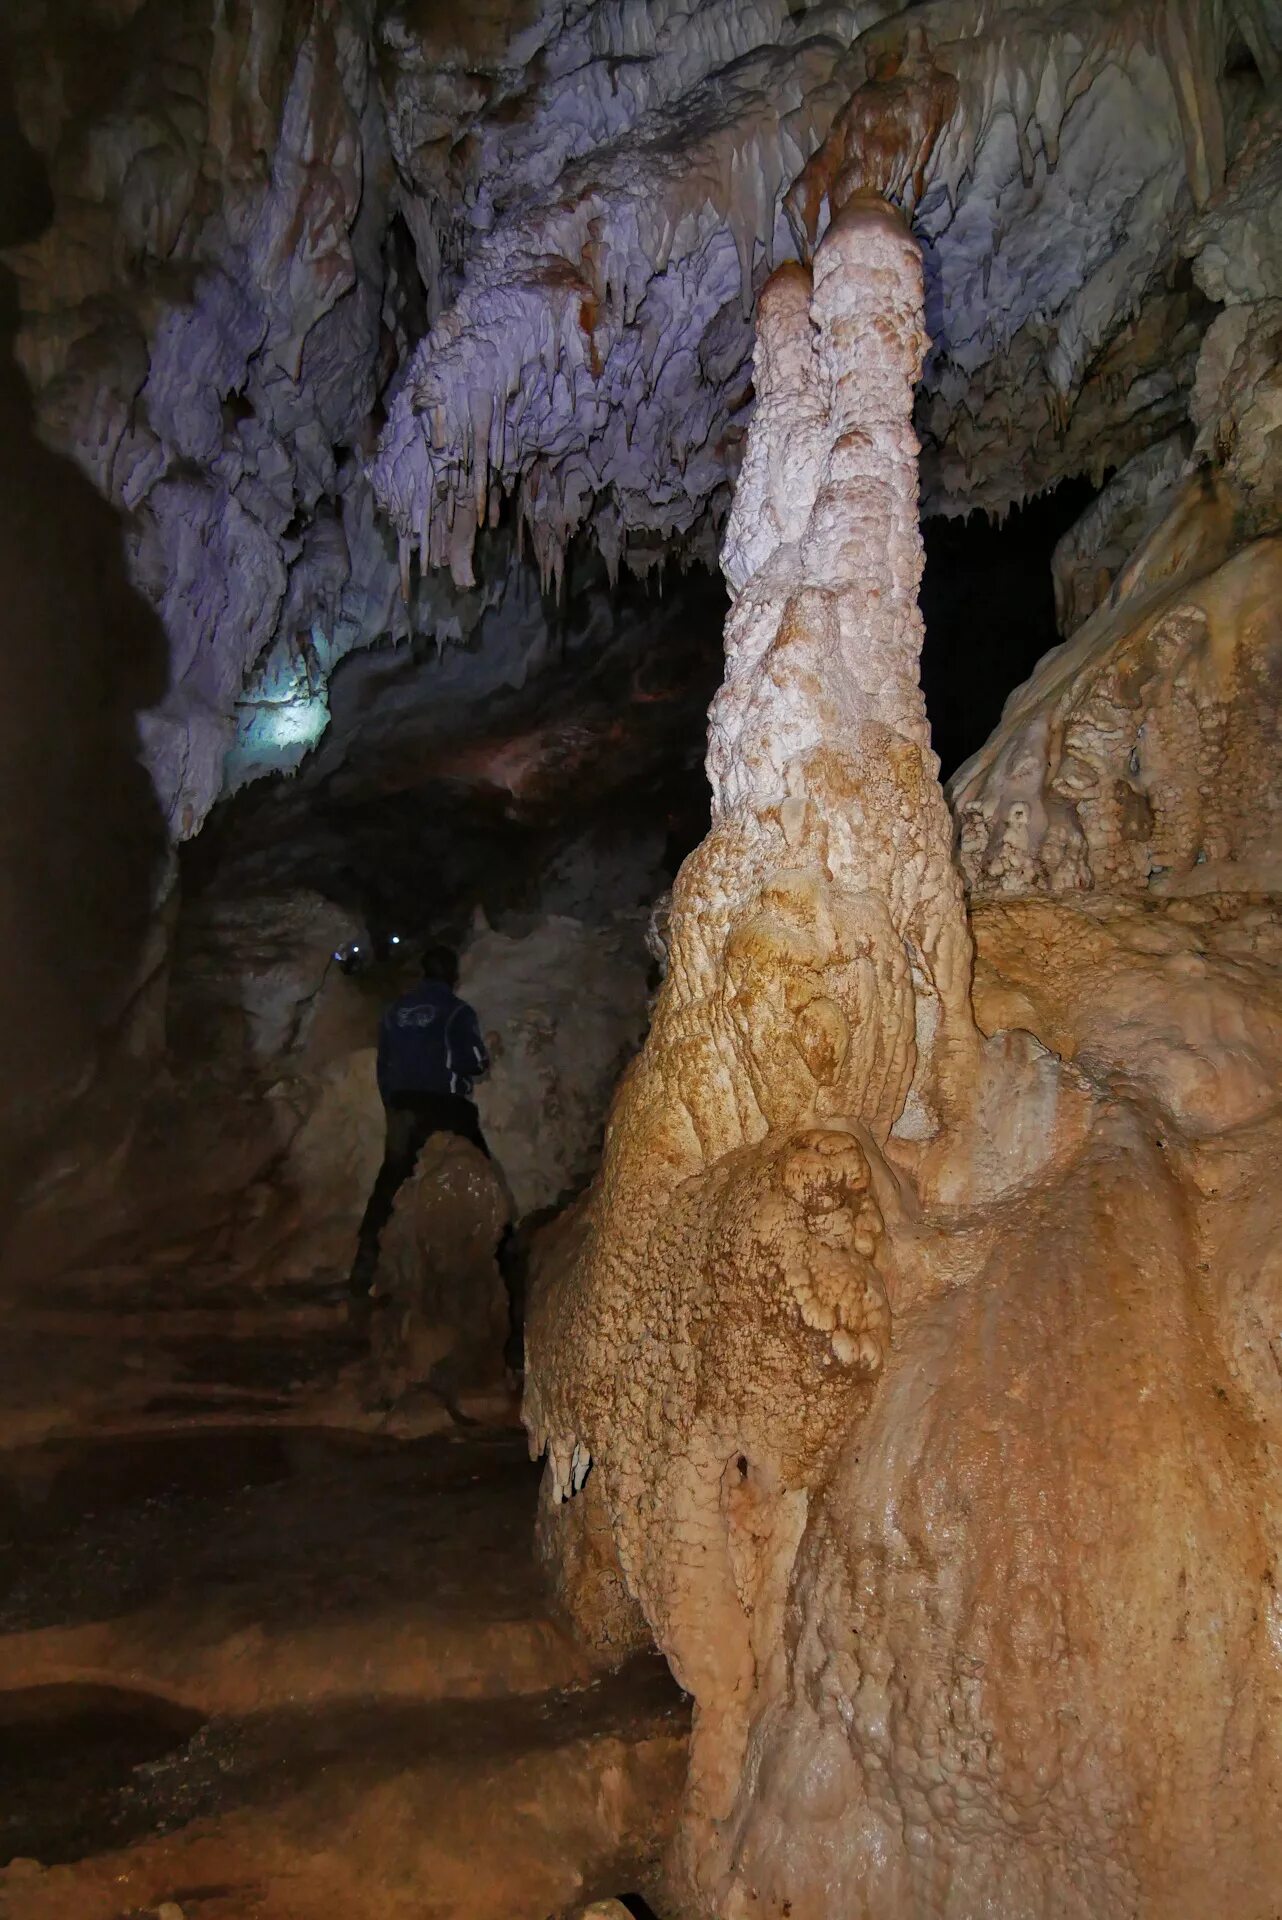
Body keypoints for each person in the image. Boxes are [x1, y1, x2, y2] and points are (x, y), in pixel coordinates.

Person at [349, 944, 491, 1298]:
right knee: (475, 1171)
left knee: (393, 1175)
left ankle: (365, 1264)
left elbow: (384, 1065)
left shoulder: (395, 1012)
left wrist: (394, 1103)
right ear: (451, 974)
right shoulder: (456, 1011)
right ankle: (489, 1265)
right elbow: (473, 1061)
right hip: (444, 1105)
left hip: (402, 1106)